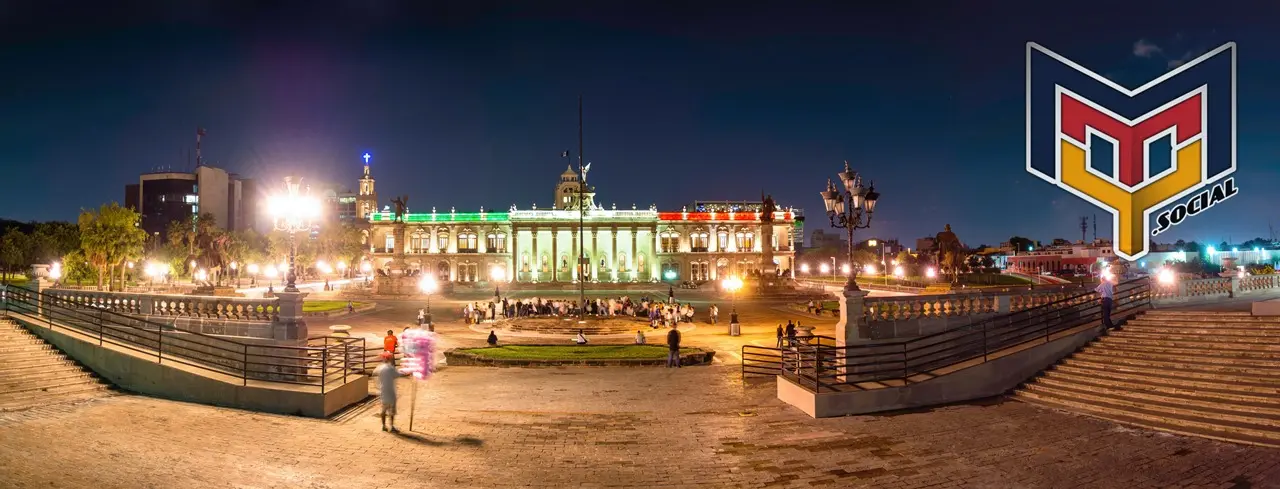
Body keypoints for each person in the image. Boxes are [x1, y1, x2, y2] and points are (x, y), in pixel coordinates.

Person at [374, 353, 399, 433]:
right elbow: (398, 374)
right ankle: (391, 426)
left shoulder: (379, 368)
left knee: (383, 410)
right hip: (391, 392)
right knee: (392, 410)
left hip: (382, 391)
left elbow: (374, 374)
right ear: (389, 359)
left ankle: (384, 426)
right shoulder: (391, 368)